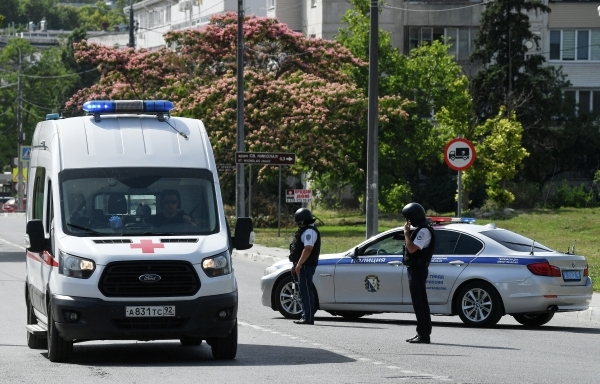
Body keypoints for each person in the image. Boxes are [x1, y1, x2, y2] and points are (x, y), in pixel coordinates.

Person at [401, 202, 436, 344]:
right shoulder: (421, 229)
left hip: (418, 269)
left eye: (408, 218)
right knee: (418, 302)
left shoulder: (424, 231)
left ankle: (423, 334)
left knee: (420, 302)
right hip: (415, 269)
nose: (408, 222)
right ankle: (421, 332)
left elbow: (412, 249)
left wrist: (406, 234)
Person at [289, 208, 321, 325]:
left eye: (298, 222)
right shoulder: (306, 231)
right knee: (303, 291)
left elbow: (308, 249)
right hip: (303, 265)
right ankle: (306, 315)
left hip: (306, 266)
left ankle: (308, 317)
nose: (298, 224)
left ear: (302, 221)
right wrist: (295, 264)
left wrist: (299, 264)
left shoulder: (309, 232)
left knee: (306, 291)